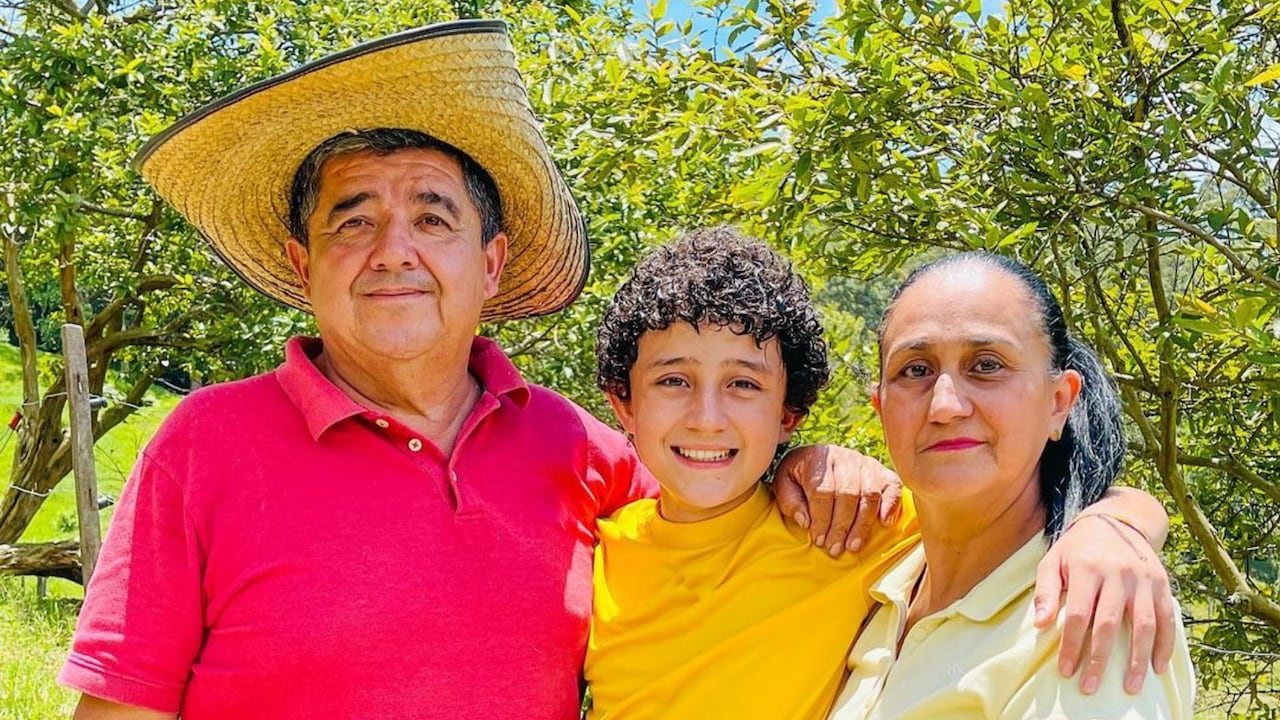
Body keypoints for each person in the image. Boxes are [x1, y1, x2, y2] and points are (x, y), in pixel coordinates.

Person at [57, 21, 905, 720]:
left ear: (491, 263)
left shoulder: (579, 448)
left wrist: (814, 464)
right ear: (300, 261)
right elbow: (120, 706)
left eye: (433, 217)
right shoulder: (206, 442)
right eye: (352, 223)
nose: (394, 252)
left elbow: (712, 484)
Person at [585, 229, 1179, 720]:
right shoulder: (596, 553)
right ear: (623, 403)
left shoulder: (850, 532)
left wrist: (1114, 522)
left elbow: (1043, 501)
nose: (707, 418)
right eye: (672, 381)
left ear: (788, 412)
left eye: (743, 384)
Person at [829, 252, 1195, 719]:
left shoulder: (1091, 614)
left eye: (986, 365)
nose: (945, 405)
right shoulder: (874, 581)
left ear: (1059, 402)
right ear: (881, 408)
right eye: (916, 370)